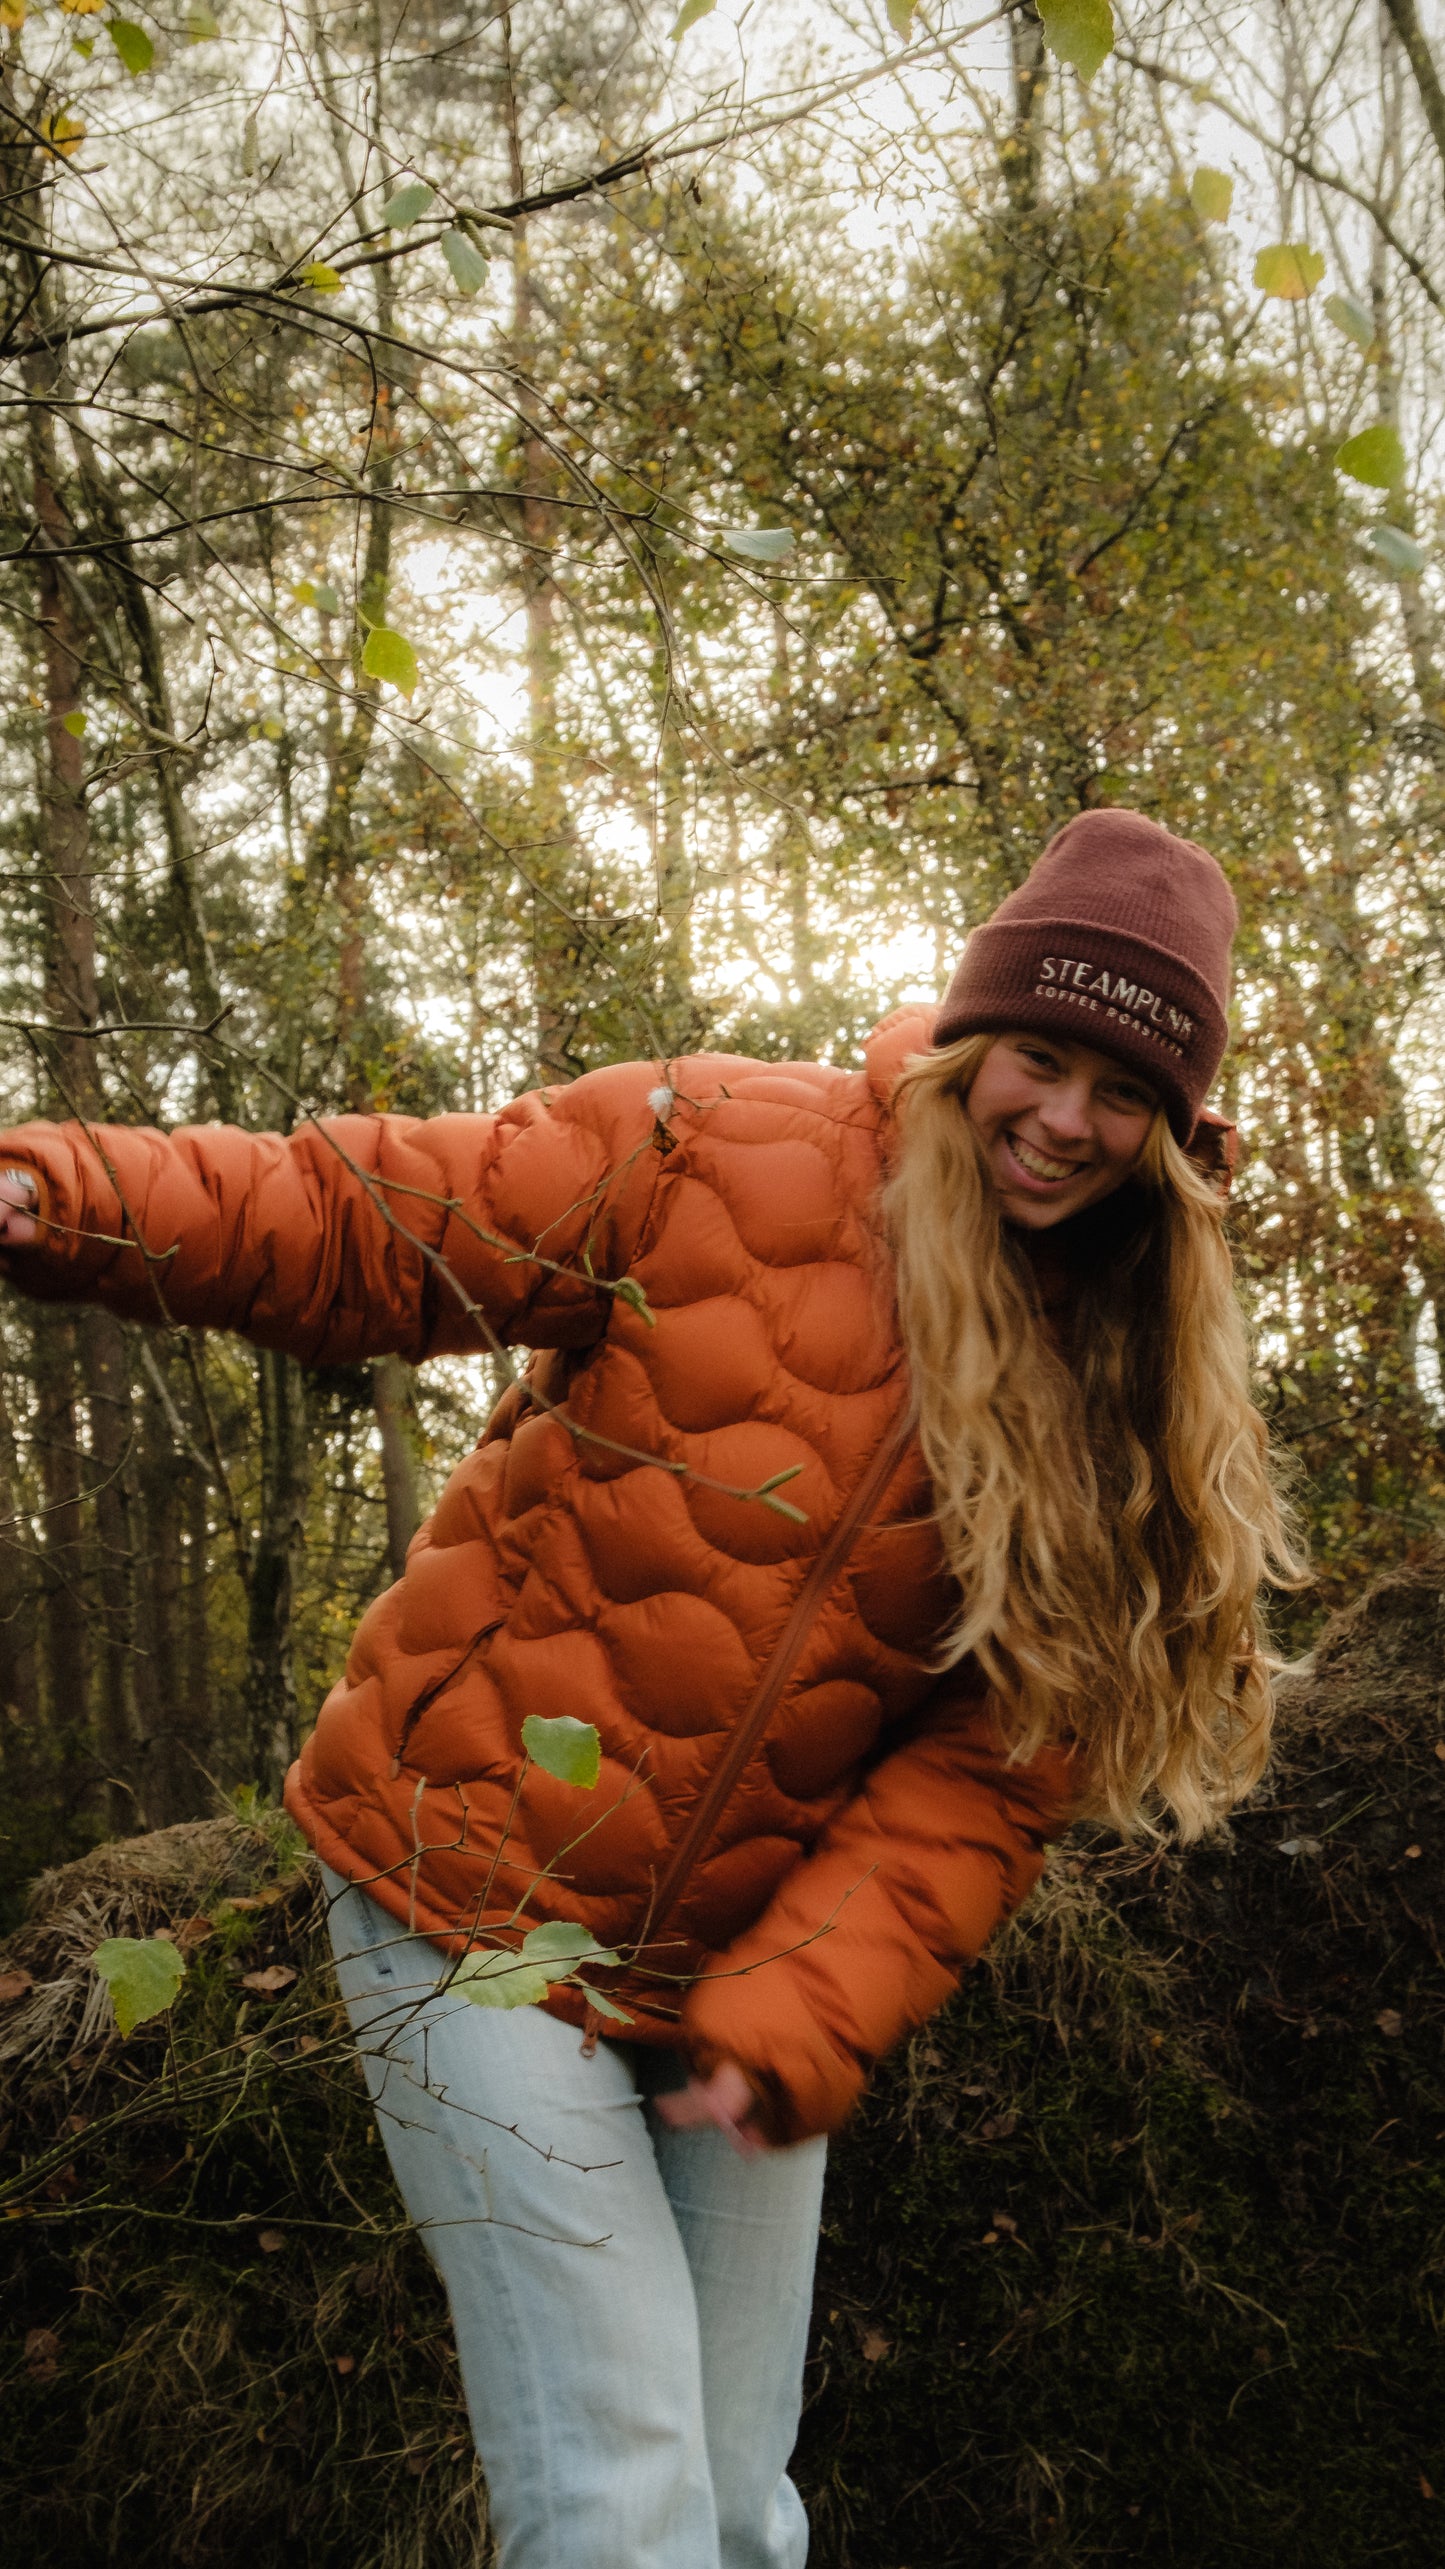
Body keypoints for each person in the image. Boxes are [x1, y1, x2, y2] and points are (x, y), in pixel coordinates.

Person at [0, 808, 1299, 2567]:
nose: (1064, 1119)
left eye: (1121, 1090)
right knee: (619, 2502)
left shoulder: (1119, 1377)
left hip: (735, 1964)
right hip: (470, 1894)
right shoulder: (721, 1148)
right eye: (1040, 1058)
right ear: (974, 1038)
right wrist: (57, 1192)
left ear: (1172, 1130)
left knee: (739, 2512)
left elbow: (986, 1774)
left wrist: (796, 2005)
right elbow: (363, 1217)